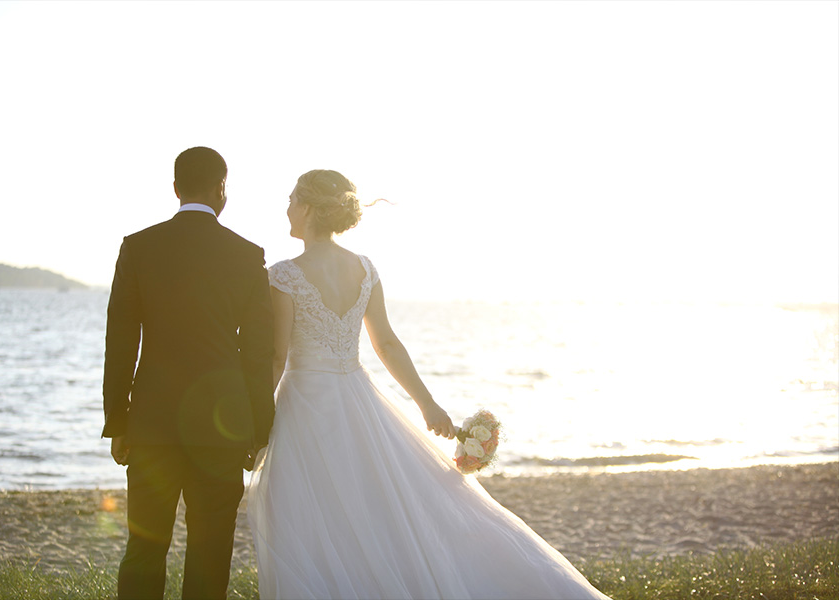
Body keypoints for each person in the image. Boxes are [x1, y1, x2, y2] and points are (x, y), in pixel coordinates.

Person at [246, 169, 610, 600]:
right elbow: (387, 344)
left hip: (306, 406)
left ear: (306, 207)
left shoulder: (284, 275)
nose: (286, 208)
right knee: (374, 506)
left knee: (308, 514)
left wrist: (254, 424)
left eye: (290, 199)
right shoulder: (363, 269)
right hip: (358, 400)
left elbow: (276, 357)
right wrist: (427, 404)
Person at [103, 147, 274, 600]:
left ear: (175, 188)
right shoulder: (247, 255)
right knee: (211, 548)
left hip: (152, 423)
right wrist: (259, 429)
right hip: (221, 427)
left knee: (144, 545)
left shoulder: (138, 247)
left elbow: (121, 342)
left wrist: (118, 421)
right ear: (222, 188)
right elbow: (259, 353)